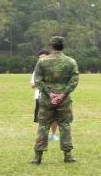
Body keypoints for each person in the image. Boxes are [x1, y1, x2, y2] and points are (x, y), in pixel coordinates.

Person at [30, 36, 79, 164]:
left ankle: (37, 157)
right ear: (63, 46)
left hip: (47, 99)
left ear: (51, 46)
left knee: (43, 126)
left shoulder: (42, 61)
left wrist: (50, 94)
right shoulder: (71, 62)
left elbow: (38, 80)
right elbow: (74, 81)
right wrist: (62, 95)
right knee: (65, 126)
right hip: (64, 100)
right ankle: (68, 155)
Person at [29, 49, 58, 141]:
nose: (41, 60)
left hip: (53, 96)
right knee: (42, 118)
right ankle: (43, 135)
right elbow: (32, 85)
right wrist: (41, 83)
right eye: (40, 58)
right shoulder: (36, 72)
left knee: (54, 116)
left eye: (43, 58)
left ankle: (53, 135)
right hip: (40, 97)